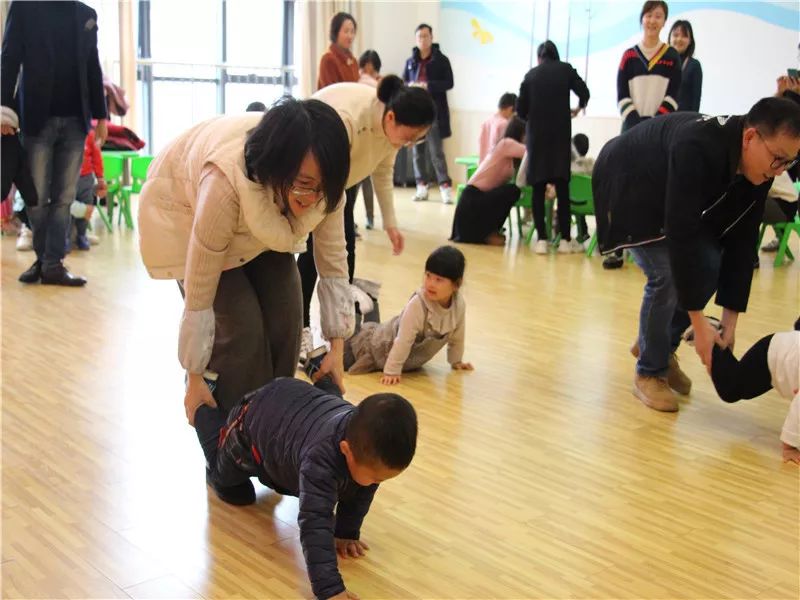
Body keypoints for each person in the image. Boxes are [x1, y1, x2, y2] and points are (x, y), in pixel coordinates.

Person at [138, 97, 354, 421]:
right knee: (242, 331)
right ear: (278, 168)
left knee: (287, 311)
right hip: (182, 210)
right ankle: (230, 441)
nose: (311, 199)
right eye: (304, 185)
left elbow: (334, 263)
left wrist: (336, 350)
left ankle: (272, 428)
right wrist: (195, 378)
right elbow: (199, 293)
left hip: (258, 222)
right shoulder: (224, 183)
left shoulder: (326, 185)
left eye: (320, 189)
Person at [593, 96, 800, 413]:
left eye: (789, 163)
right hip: (627, 184)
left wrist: (729, 321)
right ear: (750, 137)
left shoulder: (761, 168)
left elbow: (742, 243)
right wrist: (699, 324)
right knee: (668, 274)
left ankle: (658, 343)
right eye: (778, 159)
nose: (780, 170)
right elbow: (681, 233)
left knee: (709, 263)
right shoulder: (698, 146)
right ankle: (649, 370)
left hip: (662, 194)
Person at [190, 376, 417, 600]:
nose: (377, 484)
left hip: (292, 406)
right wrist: (330, 589)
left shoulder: (362, 441)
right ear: (346, 450)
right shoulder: (321, 459)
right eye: (376, 478)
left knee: (359, 482)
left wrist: (346, 533)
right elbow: (315, 522)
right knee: (229, 483)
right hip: (250, 423)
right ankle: (202, 411)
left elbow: (359, 494)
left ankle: (325, 381)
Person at [298, 77, 435, 357]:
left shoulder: (389, 131)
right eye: (409, 137)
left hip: (340, 183)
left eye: (416, 139)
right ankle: (300, 330)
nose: (409, 145)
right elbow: (316, 164)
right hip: (314, 177)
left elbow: (383, 174)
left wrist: (391, 224)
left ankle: (338, 331)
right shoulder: (350, 119)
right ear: (392, 117)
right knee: (313, 254)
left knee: (345, 252)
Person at [1, 0, 109, 286]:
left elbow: (92, 64)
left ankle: (52, 264)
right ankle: (44, 259)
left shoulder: (86, 14)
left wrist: (101, 116)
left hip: (77, 120)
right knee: (36, 198)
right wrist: (4, 111)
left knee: (63, 198)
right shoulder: (25, 8)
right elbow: (9, 59)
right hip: (36, 118)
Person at [307, 246, 472, 386]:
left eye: (439, 280)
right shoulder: (418, 304)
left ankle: (369, 298)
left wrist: (456, 361)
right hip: (377, 346)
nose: (430, 283)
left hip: (385, 341)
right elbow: (403, 340)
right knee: (347, 351)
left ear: (456, 284)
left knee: (372, 331)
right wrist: (392, 370)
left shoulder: (459, 306)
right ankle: (355, 304)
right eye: (428, 275)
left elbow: (457, 335)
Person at [605, 0, 681, 269]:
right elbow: (621, 93)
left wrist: (654, 123)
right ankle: (618, 247)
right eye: (649, 15)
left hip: (660, 132)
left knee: (654, 187)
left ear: (664, 21)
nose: (653, 20)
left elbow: (674, 95)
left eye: (658, 16)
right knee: (624, 186)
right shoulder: (629, 55)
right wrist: (636, 121)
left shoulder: (672, 56)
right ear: (642, 19)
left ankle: (649, 245)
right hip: (630, 129)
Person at [517, 40, 590, 255]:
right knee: (563, 188)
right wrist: (578, 108)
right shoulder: (565, 70)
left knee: (538, 189)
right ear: (556, 56)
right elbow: (584, 91)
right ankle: (566, 240)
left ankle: (542, 239)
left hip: (537, 138)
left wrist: (533, 117)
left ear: (539, 58)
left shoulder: (530, 76)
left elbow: (521, 110)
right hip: (560, 137)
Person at [710, 327, 800, 464]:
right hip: (773, 353)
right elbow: (797, 409)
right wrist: (790, 448)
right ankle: (713, 337)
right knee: (730, 390)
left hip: (789, 350)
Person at [451, 117, 526, 245]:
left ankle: (490, 231)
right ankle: (487, 232)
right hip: (473, 200)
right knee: (512, 190)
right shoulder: (506, 144)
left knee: (511, 190)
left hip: (479, 199)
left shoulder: (510, 151)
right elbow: (532, 152)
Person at [403, 24, 455, 204]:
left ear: (431, 38)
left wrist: (428, 86)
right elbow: (404, 83)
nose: (422, 40)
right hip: (417, 113)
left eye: (425, 36)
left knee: (436, 152)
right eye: (419, 37)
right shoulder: (411, 62)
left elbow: (449, 83)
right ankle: (421, 187)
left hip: (434, 112)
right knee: (418, 151)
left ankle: (445, 187)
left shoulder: (441, 60)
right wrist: (411, 87)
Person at [69, 125, 107, 251]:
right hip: (68, 177)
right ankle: (67, 238)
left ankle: (81, 235)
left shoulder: (90, 134)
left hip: (86, 179)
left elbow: (97, 157)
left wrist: (100, 177)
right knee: (68, 210)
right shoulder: (63, 134)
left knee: (87, 207)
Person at [357, 49, 382, 229]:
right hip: (357, 135)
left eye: (372, 70)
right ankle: (349, 220)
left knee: (367, 179)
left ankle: (370, 217)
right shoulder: (355, 82)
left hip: (373, 137)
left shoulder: (381, 85)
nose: (368, 74)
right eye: (365, 70)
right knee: (355, 183)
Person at [317, 12, 359, 90]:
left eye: (352, 32)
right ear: (335, 33)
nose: (350, 36)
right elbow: (330, 93)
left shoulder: (353, 61)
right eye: (346, 31)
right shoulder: (328, 59)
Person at [668, 19, 702, 112]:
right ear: (670, 38)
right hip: (661, 121)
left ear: (690, 40)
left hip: (684, 122)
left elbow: (695, 103)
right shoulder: (662, 63)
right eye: (675, 35)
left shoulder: (694, 65)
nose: (679, 39)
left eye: (684, 36)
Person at [479, 92, 517, 162]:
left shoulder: (487, 122)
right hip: (495, 166)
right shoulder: (504, 124)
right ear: (510, 109)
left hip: (482, 165)